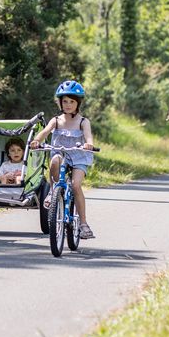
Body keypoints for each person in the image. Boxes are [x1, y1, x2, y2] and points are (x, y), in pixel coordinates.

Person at [31, 81, 96, 239]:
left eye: (72, 101)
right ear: (60, 102)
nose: (68, 105)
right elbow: (45, 132)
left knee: (75, 185)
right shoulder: (56, 120)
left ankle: (83, 224)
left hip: (79, 156)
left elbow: (88, 136)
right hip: (60, 153)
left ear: (78, 103)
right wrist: (36, 141)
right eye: (65, 101)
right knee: (54, 161)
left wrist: (89, 144)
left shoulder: (83, 121)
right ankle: (54, 190)